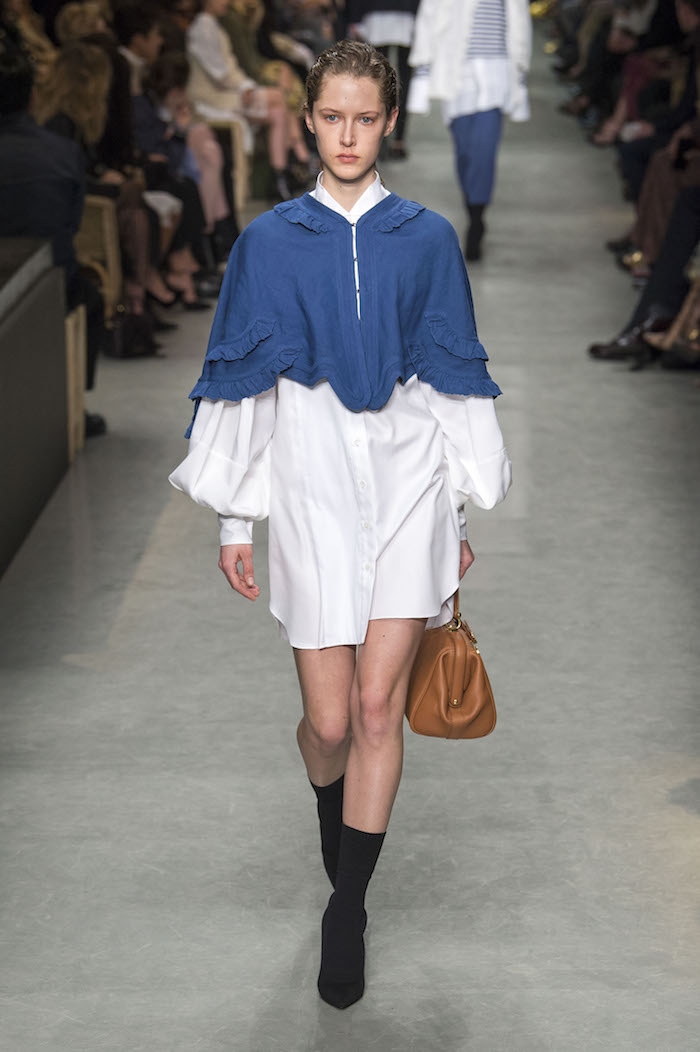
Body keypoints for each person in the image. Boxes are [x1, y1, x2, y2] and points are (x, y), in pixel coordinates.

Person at [168, 40, 511, 1009]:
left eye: (365, 118)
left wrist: (454, 511)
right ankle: (339, 831)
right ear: (311, 119)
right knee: (326, 723)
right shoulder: (268, 243)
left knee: (372, 710)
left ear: (389, 120)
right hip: (311, 491)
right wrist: (235, 520)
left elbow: (449, 378)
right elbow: (245, 382)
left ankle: (346, 908)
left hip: (407, 492)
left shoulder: (427, 239)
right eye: (331, 117)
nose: (348, 135)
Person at [0, 20, 106, 434]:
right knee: (91, 297)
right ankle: (75, 405)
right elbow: (71, 222)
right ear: (31, 96)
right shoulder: (62, 152)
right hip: (50, 285)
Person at [409, 0, 531, 260]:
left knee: (484, 151)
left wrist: (520, 72)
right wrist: (423, 70)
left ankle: (477, 219)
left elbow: (520, 24)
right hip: (457, 74)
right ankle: (472, 205)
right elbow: (429, 18)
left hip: (497, 74)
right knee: (465, 153)